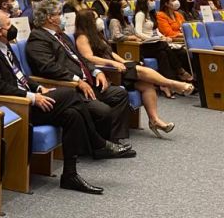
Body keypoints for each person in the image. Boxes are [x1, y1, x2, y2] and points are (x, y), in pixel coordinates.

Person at [0, 10, 119, 194]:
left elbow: (20, 76)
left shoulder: (4, 44)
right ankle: (98, 143)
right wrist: (32, 98)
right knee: (71, 94)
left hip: (26, 100)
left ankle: (70, 175)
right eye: (8, 24)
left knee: (72, 114)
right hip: (14, 106)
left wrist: (38, 88)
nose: (13, 27)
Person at [25, 0, 133, 148]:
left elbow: (80, 58)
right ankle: (100, 146)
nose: (63, 17)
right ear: (50, 18)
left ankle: (114, 139)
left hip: (88, 81)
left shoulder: (61, 35)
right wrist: (77, 80)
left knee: (120, 95)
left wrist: (96, 71)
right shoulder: (37, 38)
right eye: (59, 14)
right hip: (70, 88)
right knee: (103, 111)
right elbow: (48, 67)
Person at [74, 9, 192, 137]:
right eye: (95, 18)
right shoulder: (82, 37)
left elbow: (110, 52)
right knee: (140, 70)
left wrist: (124, 61)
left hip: (117, 67)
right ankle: (172, 84)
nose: (99, 21)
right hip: (108, 72)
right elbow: (88, 58)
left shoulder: (97, 35)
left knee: (147, 85)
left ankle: (154, 120)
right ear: (87, 21)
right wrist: (112, 63)